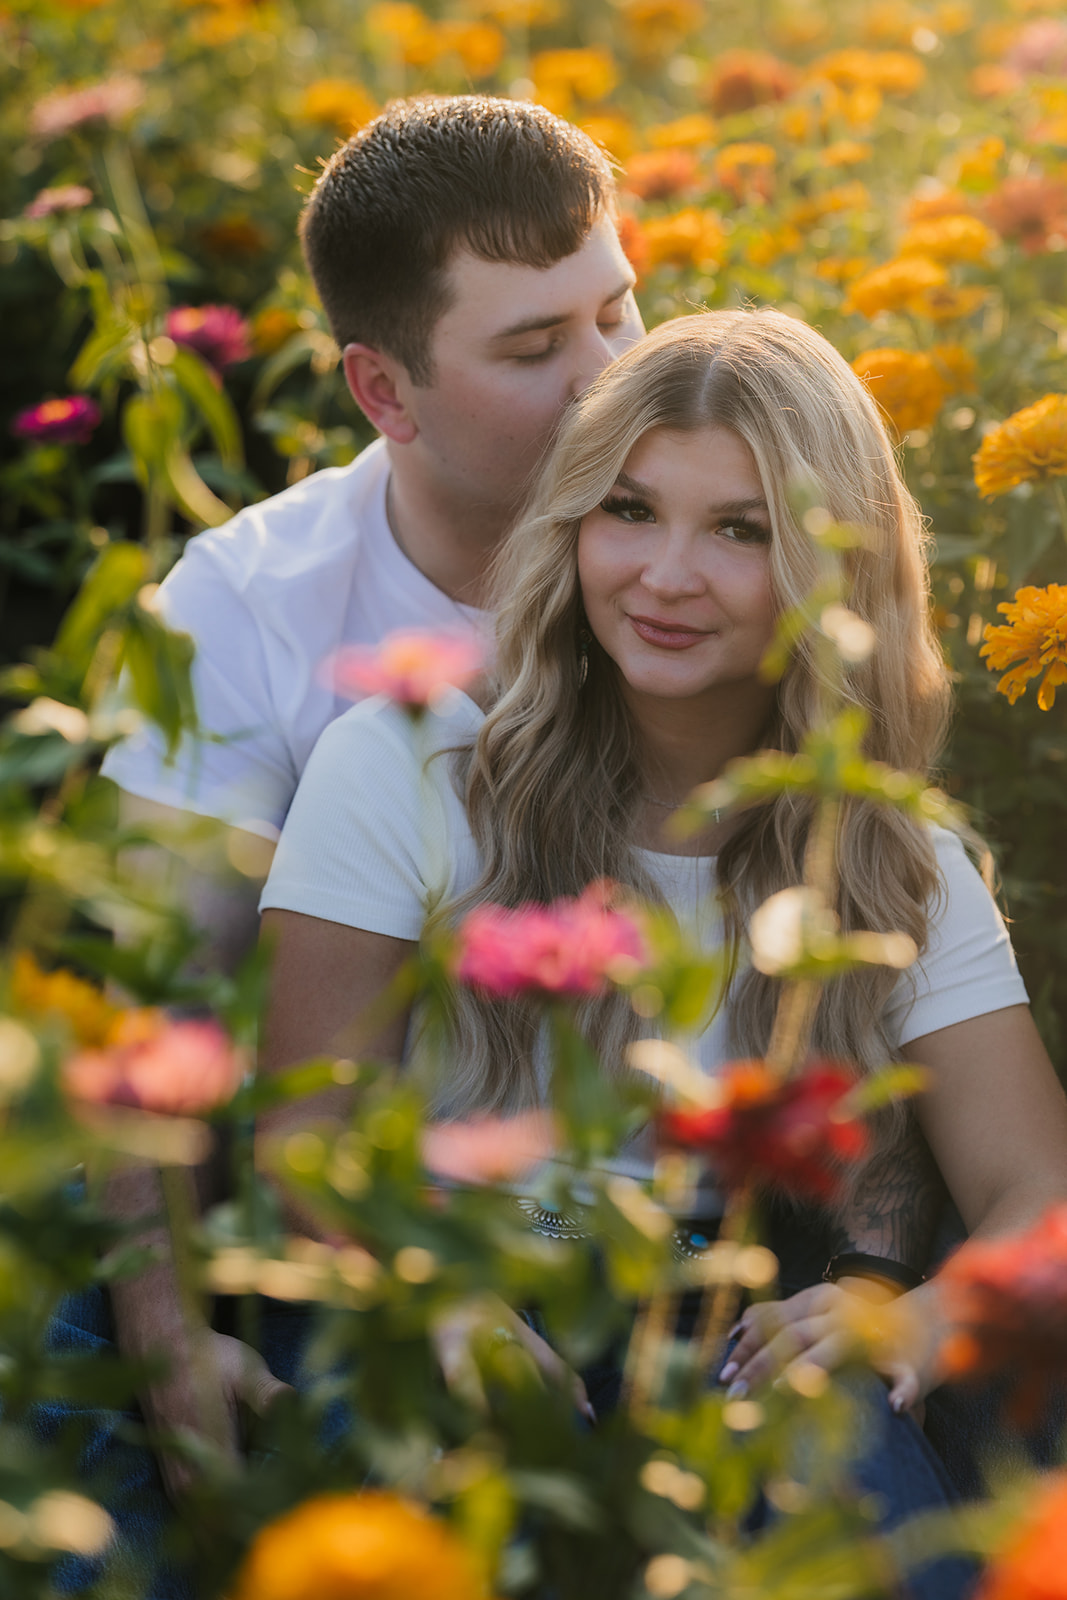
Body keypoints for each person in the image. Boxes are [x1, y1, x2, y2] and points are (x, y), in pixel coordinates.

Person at [257, 307, 1067, 1593]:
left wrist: (914, 1310)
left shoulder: (887, 854)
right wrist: (438, 1299)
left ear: (833, 567)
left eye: (740, 530)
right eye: (627, 510)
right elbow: (305, 1135)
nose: (664, 573)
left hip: (738, 1320)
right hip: (438, 1287)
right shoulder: (408, 761)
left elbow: (1039, 1191)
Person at [70, 91, 642, 1529]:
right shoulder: (247, 608)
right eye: (532, 348)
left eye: (617, 313)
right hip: (344, 1212)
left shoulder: (699, 536)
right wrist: (167, 1344)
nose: (610, 378)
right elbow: (158, 1011)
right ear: (382, 392)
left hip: (659, 1204)